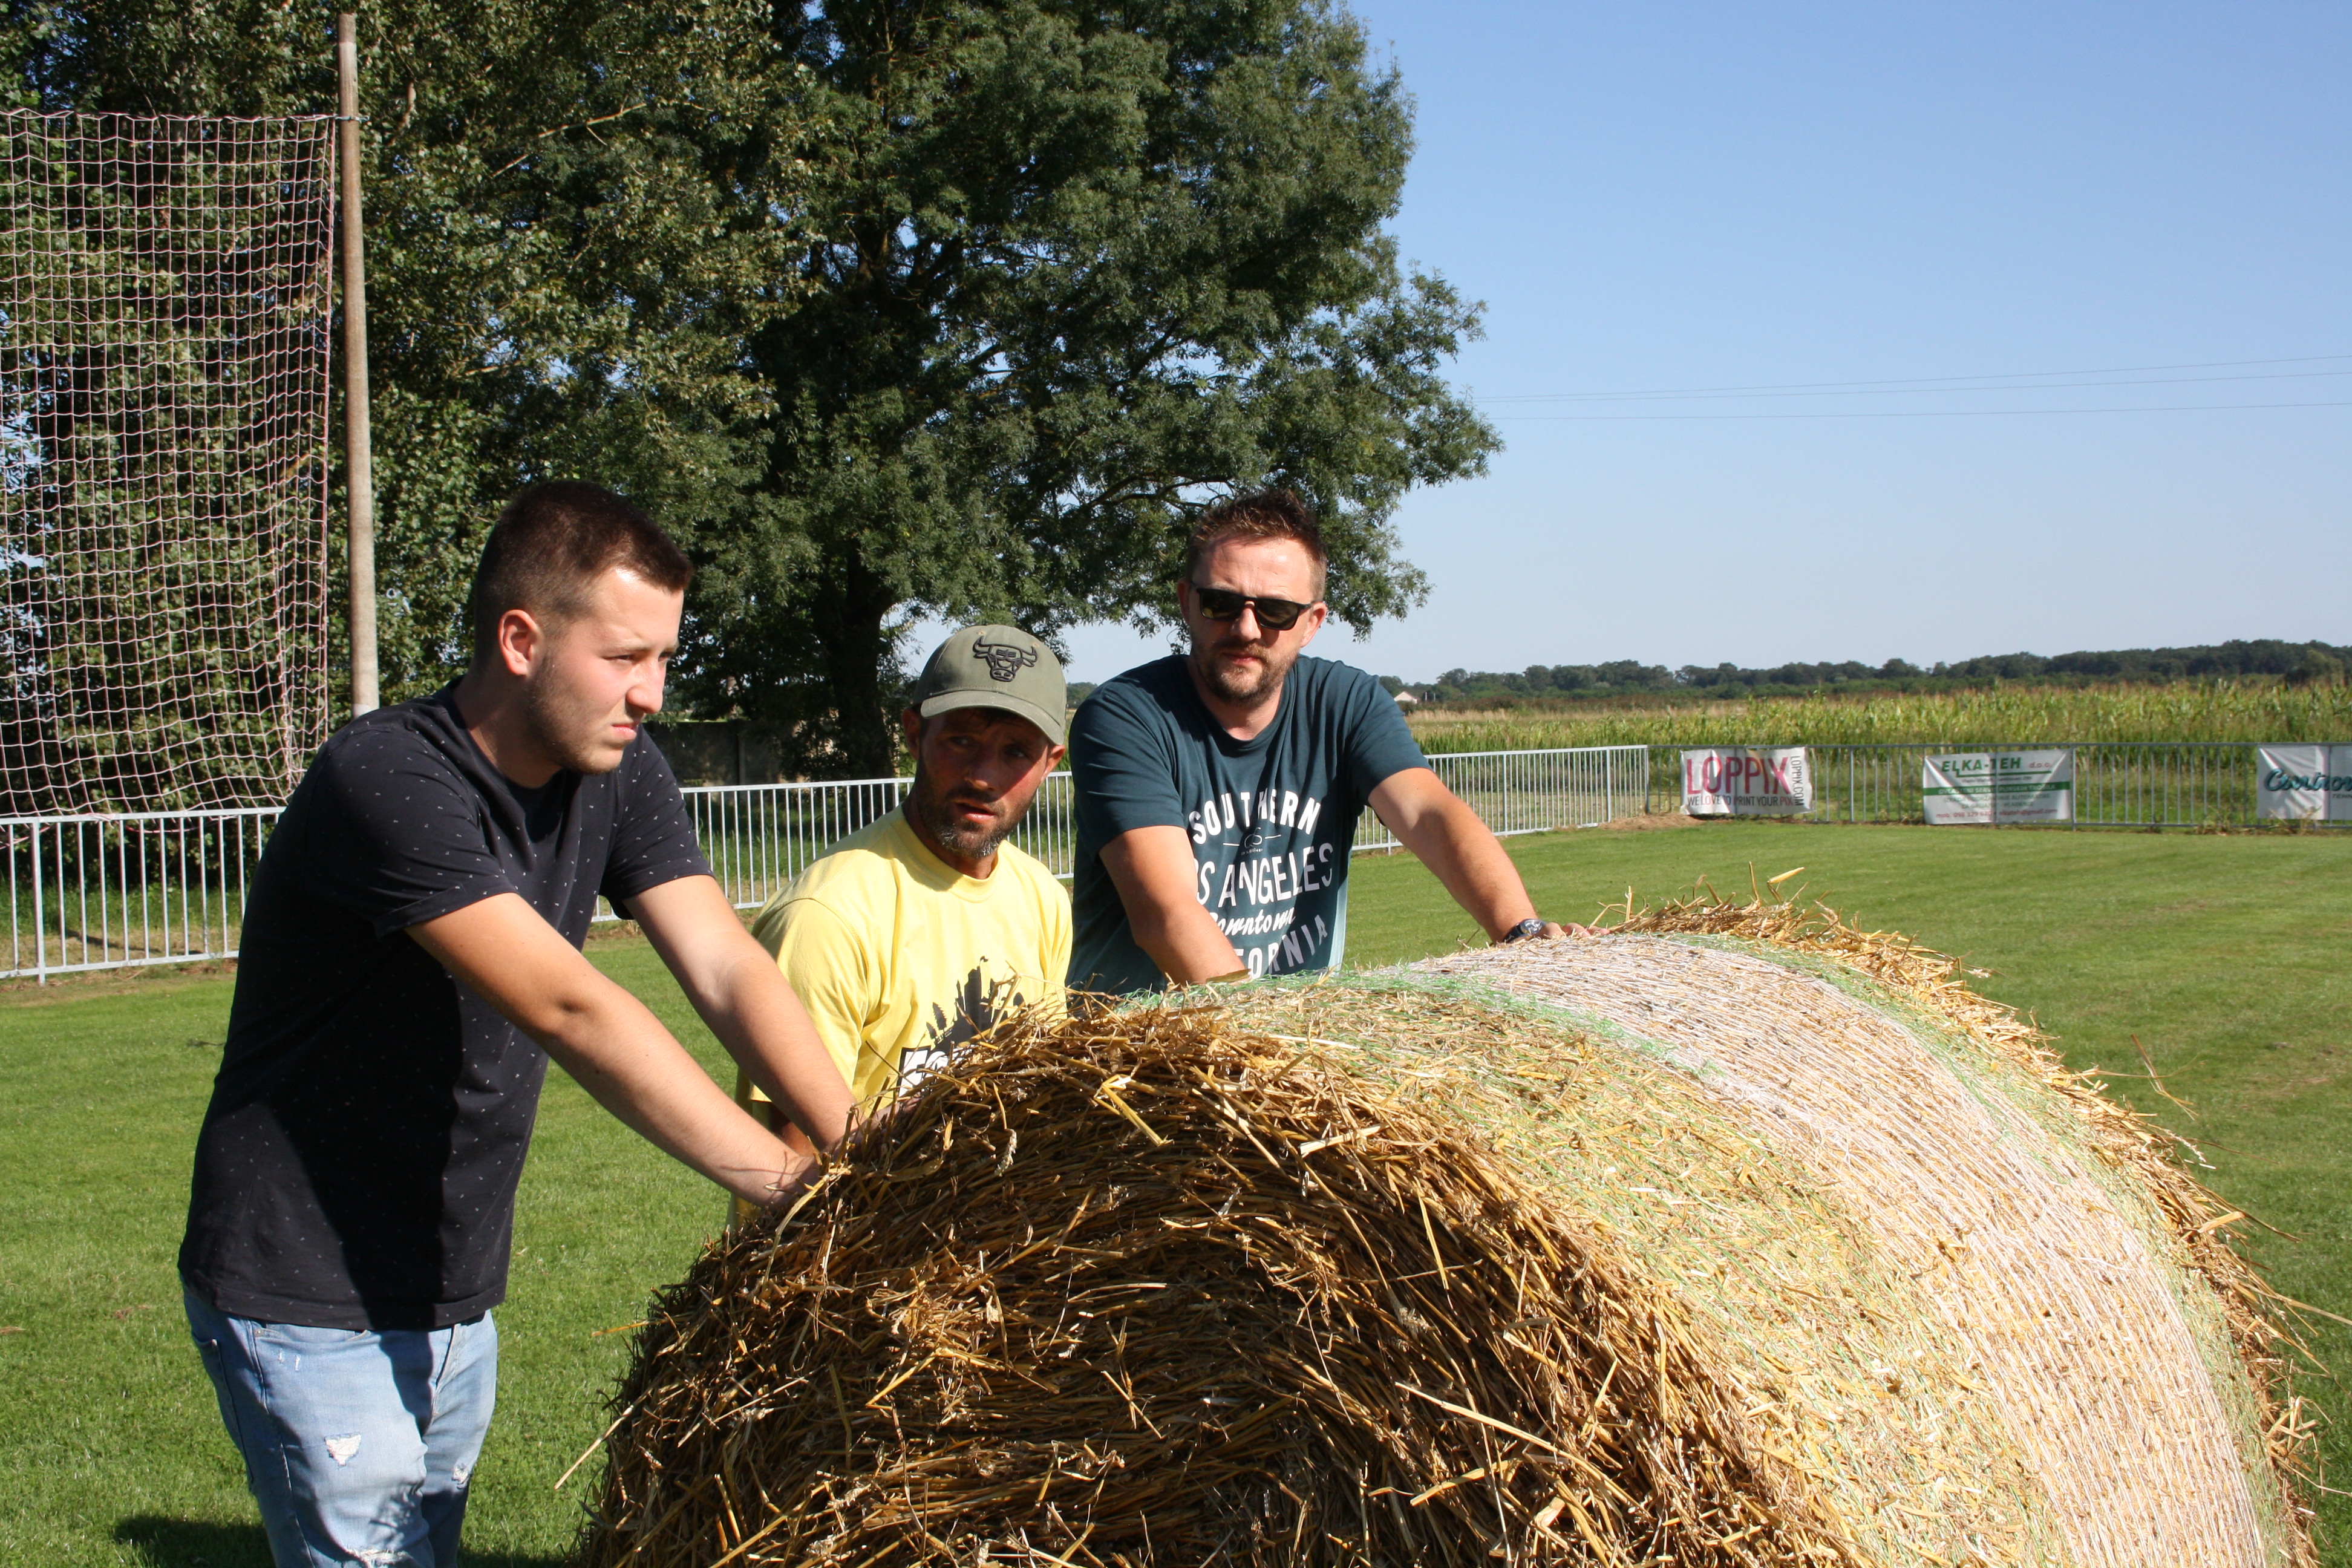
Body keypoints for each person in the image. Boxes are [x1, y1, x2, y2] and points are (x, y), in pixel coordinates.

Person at [177, 482, 856, 1568]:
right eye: (626, 657)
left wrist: (866, 1157)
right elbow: (569, 1006)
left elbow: (726, 963)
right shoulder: (387, 775)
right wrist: (791, 1188)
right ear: (521, 641)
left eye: (665, 658)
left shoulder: (620, 770)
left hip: (452, 1282)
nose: (652, 694)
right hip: (302, 1283)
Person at [1069, 488, 1574, 993]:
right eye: (1220, 603)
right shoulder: (1124, 716)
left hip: (1297, 1031)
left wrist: (1521, 934)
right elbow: (1166, 911)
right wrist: (1261, 1031)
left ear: (1312, 623)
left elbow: (1428, 814)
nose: (1246, 628)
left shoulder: (1347, 702)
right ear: (1186, 602)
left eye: (1275, 611)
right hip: (1139, 1037)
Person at [730, 626, 1070, 1222]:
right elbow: (791, 1163)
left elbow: (1047, 1096)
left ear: (1051, 762)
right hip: (864, 1254)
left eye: (1016, 751)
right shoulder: (827, 917)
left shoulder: (1042, 897)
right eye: (961, 740)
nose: (984, 776)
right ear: (915, 734)